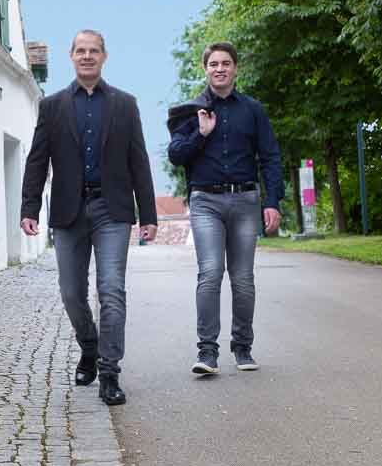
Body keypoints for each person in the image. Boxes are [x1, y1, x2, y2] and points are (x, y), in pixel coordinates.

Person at [21, 30, 158, 406]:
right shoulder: (52, 106)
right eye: (80, 51)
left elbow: (139, 160)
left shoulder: (125, 105)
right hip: (69, 211)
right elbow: (37, 159)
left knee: (112, 289)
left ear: (104, 57)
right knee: (71, 292)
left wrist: (148, 213)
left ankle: (110, 373)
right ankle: (89, 346)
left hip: (111, 209)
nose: (87, 56)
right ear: (71, 56)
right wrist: (29, 207)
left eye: (93, 51)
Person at [166, 41, 282, 375]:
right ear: (205, 69)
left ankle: (243, 348)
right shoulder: (190, 111)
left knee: (243, 279)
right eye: (214, 63)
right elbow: (176, 155)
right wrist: (201, 135)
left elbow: (271, 157)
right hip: (206, 202)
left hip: (246, 201)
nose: (220, 68)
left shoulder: (253, 110)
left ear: (235, 68)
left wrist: (272, 201)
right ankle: (207, 352)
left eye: (226, 63)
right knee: (211, 272)